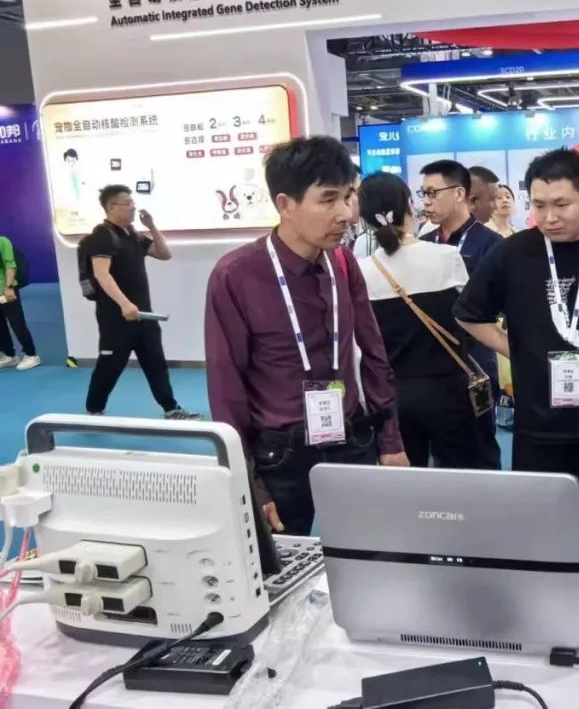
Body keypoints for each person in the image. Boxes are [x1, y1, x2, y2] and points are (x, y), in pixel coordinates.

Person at [205, 137, 408, 536]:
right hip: (279, 456)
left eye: (348, 197)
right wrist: (249, 482)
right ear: (286, 204)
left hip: (351, 440)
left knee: (366, 553)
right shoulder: (236, 274)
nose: (346, 213)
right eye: (328, 199)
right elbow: (226, 387)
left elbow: (373, 353)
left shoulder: (343, 262)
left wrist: (390, 441)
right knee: (281, 565)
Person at [455, 148, 579, 553]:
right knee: (539, 539)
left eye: (561, 204)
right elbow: (468, 314)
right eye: (539, 205)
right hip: (539, 426)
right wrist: (519, 351)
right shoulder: (513, 252)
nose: (549, 217)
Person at [357, 173, 497, 470]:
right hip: (450, 388)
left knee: (410, 486)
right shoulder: (447, 256)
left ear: (365, 219)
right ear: (409, 206)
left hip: (395, 396)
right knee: (466, 477)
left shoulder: (362, 272)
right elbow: (470, 321)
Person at [84, 185, 200, 420]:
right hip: (116, 318)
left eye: (133, 203)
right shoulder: (102, 236)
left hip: (144, 316)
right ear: (111, 207)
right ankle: (94, 409)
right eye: (127, 204)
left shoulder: (133, 235)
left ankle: (171, 408)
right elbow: (101, 274)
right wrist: (125, 304)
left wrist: (152, 226)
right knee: (110, 365)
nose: (133, 207)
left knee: (155, 362)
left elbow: (164, 254)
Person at [419, 159, 503, 469]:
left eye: (432, 193)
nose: (426, 202)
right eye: (423, 194)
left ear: (458, 194)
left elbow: (500, 305)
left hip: (475, 360)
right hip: (432, 363)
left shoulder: (492, 245)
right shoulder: (422, 245)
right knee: (441, 453)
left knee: (480, 447)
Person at [0, 235, 39, 370]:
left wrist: (9, 287)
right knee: (0, 326)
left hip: (7, 290)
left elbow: (10, 265)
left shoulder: (3, 241)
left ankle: (31, 354)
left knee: (17, 324)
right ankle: (9, 355)